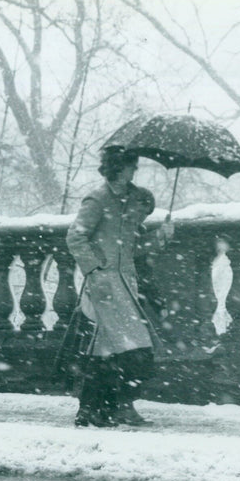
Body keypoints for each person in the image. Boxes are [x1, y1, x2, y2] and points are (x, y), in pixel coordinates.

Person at [65, 146, 174, 427]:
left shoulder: (130, 200)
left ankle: (108, 407)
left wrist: (161, 237)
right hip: (103, 286)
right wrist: (95, 271)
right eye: (130, 166)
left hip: (125, 285)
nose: (134, 171)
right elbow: (75, 238)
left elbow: (132, 247)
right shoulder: (98, 199)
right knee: (113, 347)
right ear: (117, 167)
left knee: (115, 347)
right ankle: (99, 408)